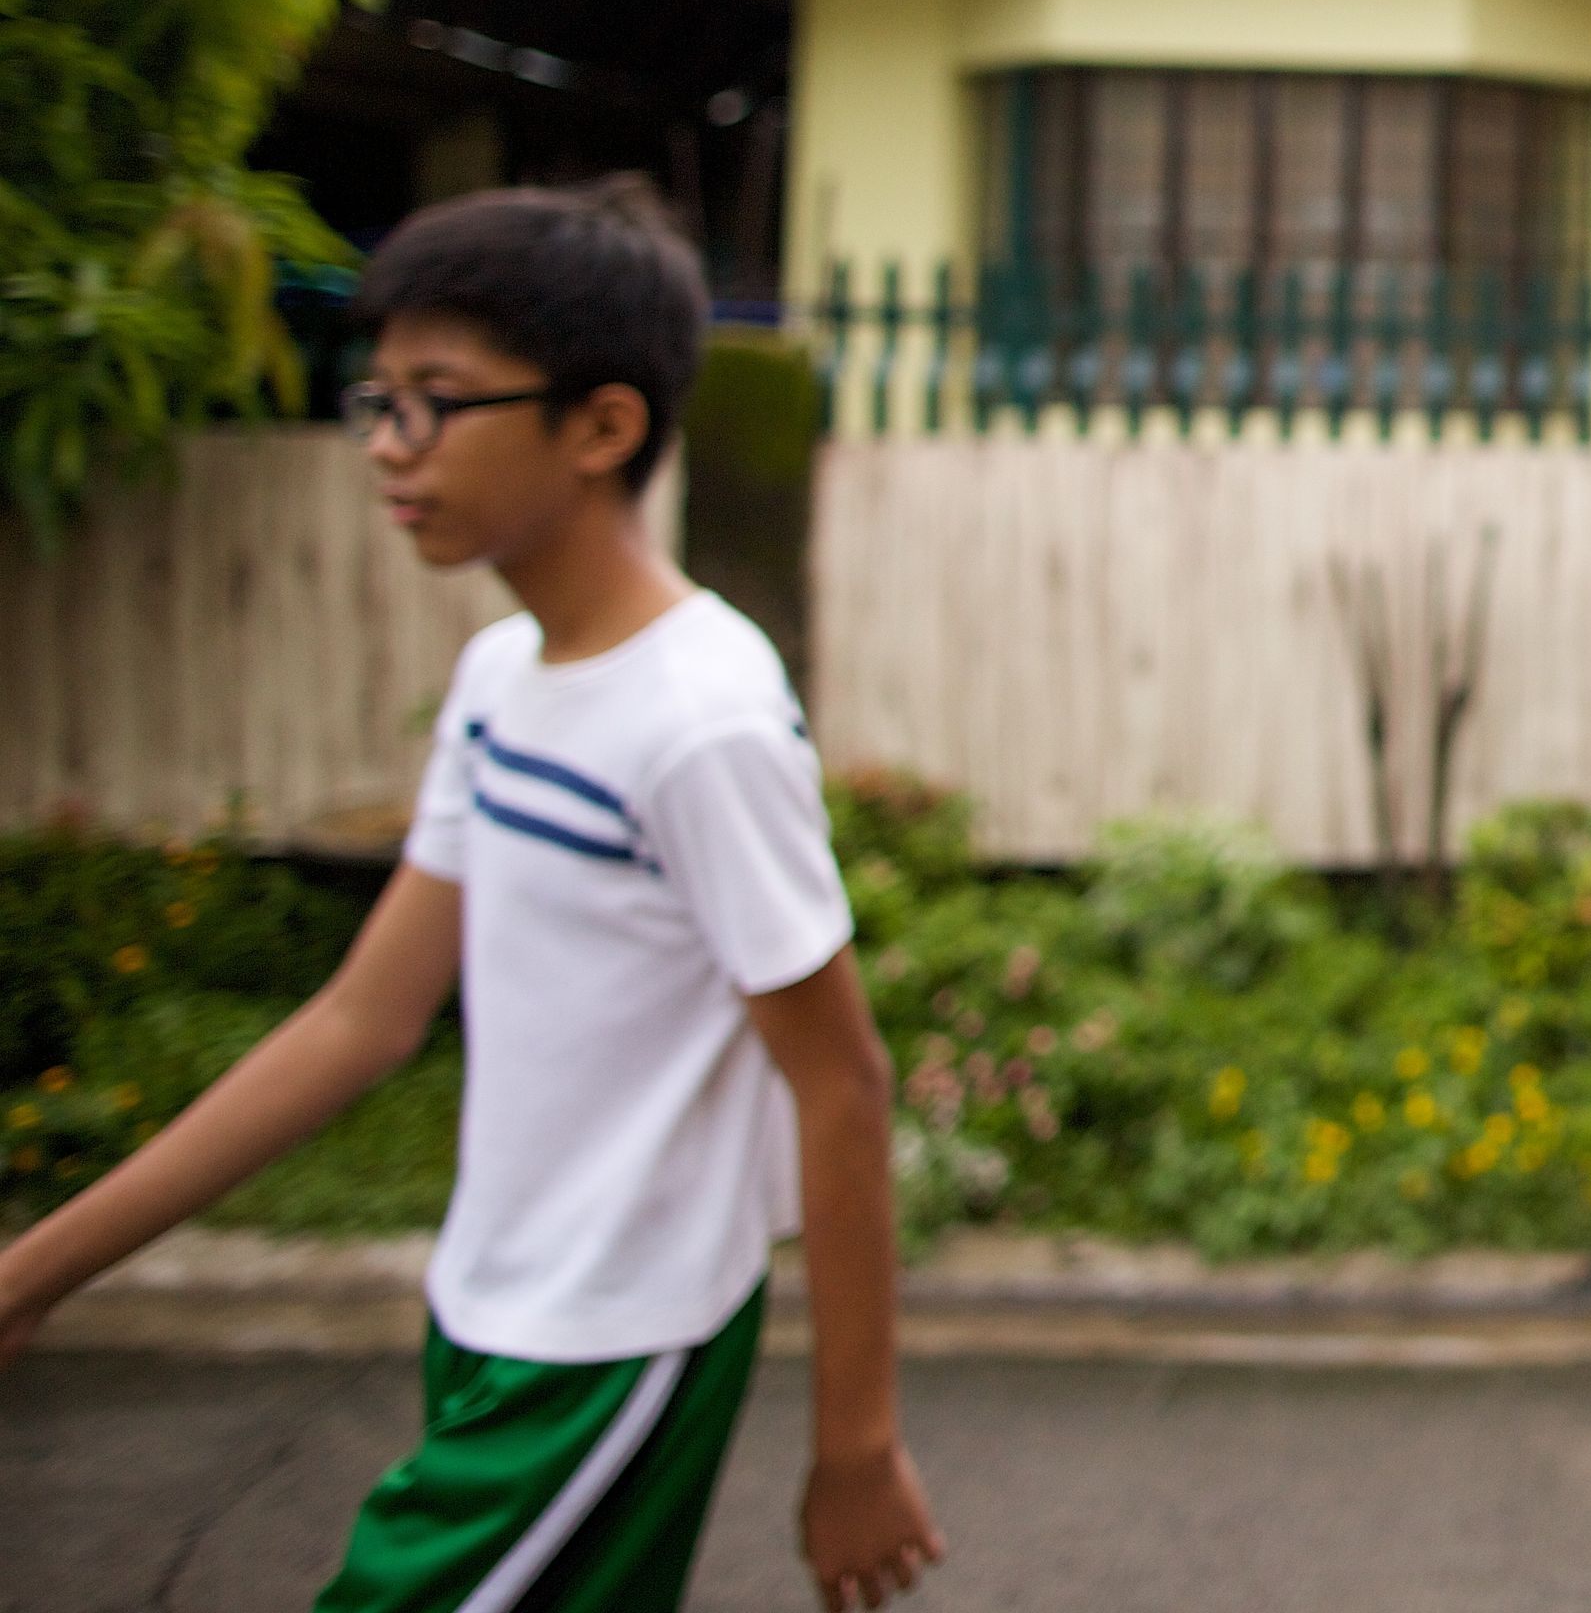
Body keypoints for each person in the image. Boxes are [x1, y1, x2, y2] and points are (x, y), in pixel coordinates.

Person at [0, 181, 944, 1613]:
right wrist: (36, 1271)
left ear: (603, 427)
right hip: (491, 1307)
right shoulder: (507, 684)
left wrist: (856, 1447)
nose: (390, 448)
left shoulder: (701, 722)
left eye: (435, 402)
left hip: (610, 1346)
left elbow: (841, 1084)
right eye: (375, 400)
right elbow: (361, 1022)